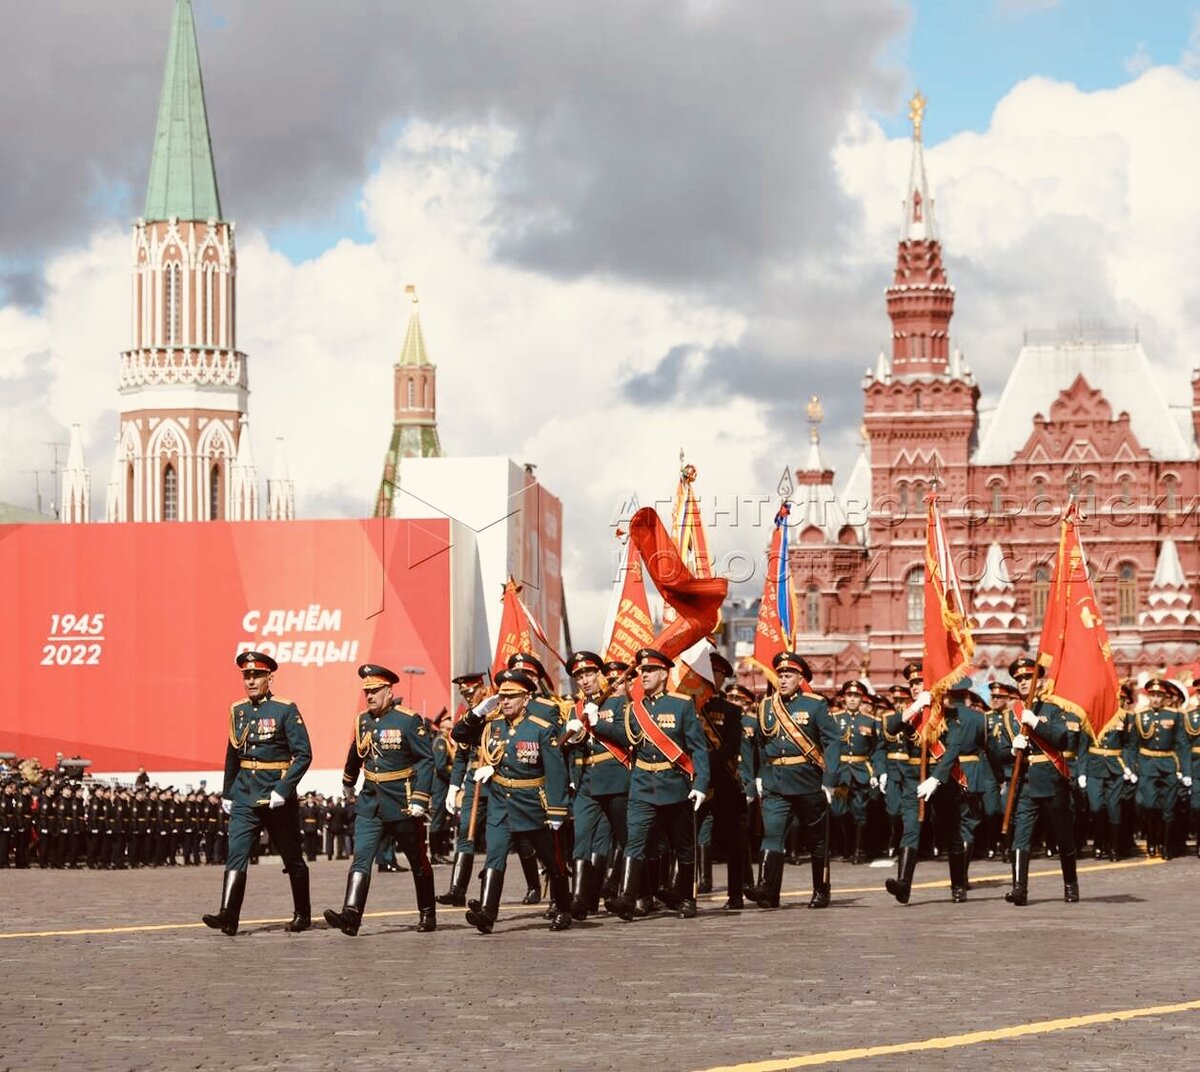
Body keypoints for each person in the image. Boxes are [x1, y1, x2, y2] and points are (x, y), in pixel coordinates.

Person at [586, 647, 710, 921]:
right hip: (642, 784)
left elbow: (698, 748)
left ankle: (687, 898)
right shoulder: (634, 709)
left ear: (664, 674)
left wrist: (700, 784)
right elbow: (625, 737)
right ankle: (628, 898)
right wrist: (597, 723)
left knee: (683, 844)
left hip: (674, 784)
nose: (644, 675)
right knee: (635, 842)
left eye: (651, 670)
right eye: (642, 671)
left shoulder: (681, 705)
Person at [202, 651, 313, 937]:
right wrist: (228, 792)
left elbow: (303, 755)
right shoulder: (237, 710)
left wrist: (283, 788)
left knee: (292, 856)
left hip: (275, 797)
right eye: (246, 676)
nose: (250, 681)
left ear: (269, 678)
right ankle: (229, 915)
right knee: (236, 854)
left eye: (256, 675)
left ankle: (302, 913)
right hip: (243, 794)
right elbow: (231, 754)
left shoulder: (285, 709)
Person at [324, 664, 437, 936]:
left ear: (389, 691)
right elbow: (357, 751)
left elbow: (425, 760)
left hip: (402, 802)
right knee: (361, 857)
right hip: (370, 801)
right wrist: (348, 781)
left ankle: (427, 912)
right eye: (367, 692)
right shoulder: (362, 720)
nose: (370, 696)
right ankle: (351, 914)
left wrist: (421, 798)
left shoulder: (408, 721)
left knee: (417, 860)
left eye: (375, 691)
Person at [458, 669, 572, 934]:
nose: (505, 701)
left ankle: (564, 907)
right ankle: (488, 912)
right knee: (494, 855)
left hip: (532, 803)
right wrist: (476, 713)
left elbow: (555, 772)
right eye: (502, 696)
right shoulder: (492, 725)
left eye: (512, 696)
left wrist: (557, 811)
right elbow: (459, 735)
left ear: (526, 698)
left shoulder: (540, 729)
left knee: (551, 859)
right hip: (500, 802)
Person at [750, 652, 840, 910]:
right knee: (772, 834)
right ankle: (767, 889)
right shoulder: (766, 706)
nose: (783, 679)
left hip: (807, 782)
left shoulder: (815, 705)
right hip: (775, 782)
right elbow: (759, 742)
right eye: (780, 675)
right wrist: (759, 774)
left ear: (801, 678)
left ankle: (821, 890)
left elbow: (832, 740)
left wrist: (830, 778)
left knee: (817, 839)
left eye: (789, 675)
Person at [996, 657, 1081, 905]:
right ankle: (1019, 888)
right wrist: (1011, 750)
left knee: (1063, 834)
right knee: (1020, 836)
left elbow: (1062, 739)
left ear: (1038, 680)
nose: (1023, 682)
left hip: (1052, 780)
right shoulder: (1010, 716)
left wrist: (1035, 724)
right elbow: (998, 750)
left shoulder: (1054, 709)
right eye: (1019, 679)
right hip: (1024, 782)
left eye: (1028, 678)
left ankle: (1070, 884)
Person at [562, 650, 629, 920]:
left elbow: (628, 737)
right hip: (586, 782)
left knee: (625, 840)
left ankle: (634, 894)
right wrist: (572, 735)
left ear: (600, 675)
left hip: (616, 779)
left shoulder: (620, 703)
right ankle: (581, 899)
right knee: (582, 838)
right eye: (579, 676)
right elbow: (562, 747)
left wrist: (598, 722)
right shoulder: (575, 710)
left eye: (589, 673)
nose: (585, 680)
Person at [439, 671, 498, 907]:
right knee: (466, 833)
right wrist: (453, 786)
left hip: (497, 781)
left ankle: (532, 885)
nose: (467, 696)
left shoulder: (497, 712)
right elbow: (462, 756)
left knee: (499, 839)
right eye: (463, 693)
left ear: (483, 689)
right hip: (474, 781)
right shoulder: (466, 718)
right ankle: (457, 890)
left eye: (471, 691)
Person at [1133, 677, 1191, 859]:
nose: (1156, 699)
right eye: (1153, 695)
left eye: (1159, 695)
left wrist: (1185, 770)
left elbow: (1182, 744)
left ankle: (1165, 845)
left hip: (1168, 764)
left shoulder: (1174, 715)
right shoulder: (1140, 716)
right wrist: (1133, 767)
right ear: (1148, 696)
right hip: (1147, 765)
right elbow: (1133, 745)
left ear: (1165, 697)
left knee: (1169, 808)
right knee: (1149, 805)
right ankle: (1152, 840)